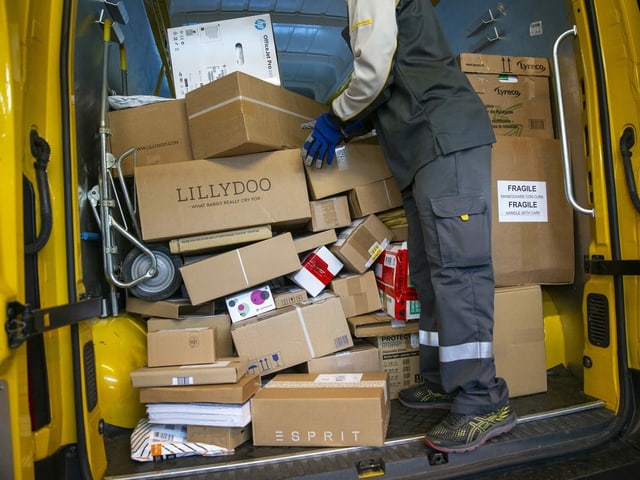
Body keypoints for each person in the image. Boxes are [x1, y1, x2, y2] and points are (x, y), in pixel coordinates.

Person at [301, 0, 516, 454]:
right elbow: (389, 76)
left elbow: (375, 70)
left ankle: (483, 401)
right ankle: (443, 380)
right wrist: (348, 123)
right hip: (422, 150)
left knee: (459, 271)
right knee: (429, 272)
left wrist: (336, 116)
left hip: (443, 138)